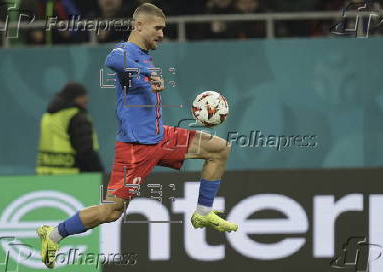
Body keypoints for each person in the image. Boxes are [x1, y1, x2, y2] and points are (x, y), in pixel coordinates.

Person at [36, 3, 237, 268]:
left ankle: (202, 213)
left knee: (219, 149)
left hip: (160, 136)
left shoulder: (144, 55)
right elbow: (112, 60)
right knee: (111, 212)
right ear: (139, 26)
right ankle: (53, 234)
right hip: (135, 147)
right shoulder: (126, 50)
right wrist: (147, 72)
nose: (162, 34)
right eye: (158, 28)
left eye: (163, 29)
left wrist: (148, 71)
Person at [36, 82, 104, 175]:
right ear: (73, 97)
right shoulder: (77, 117)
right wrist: (100, 173)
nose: (86, 99)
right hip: (72, 175)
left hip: (46, 174)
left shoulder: (47, 116)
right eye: (82, 96)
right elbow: (86, 151)